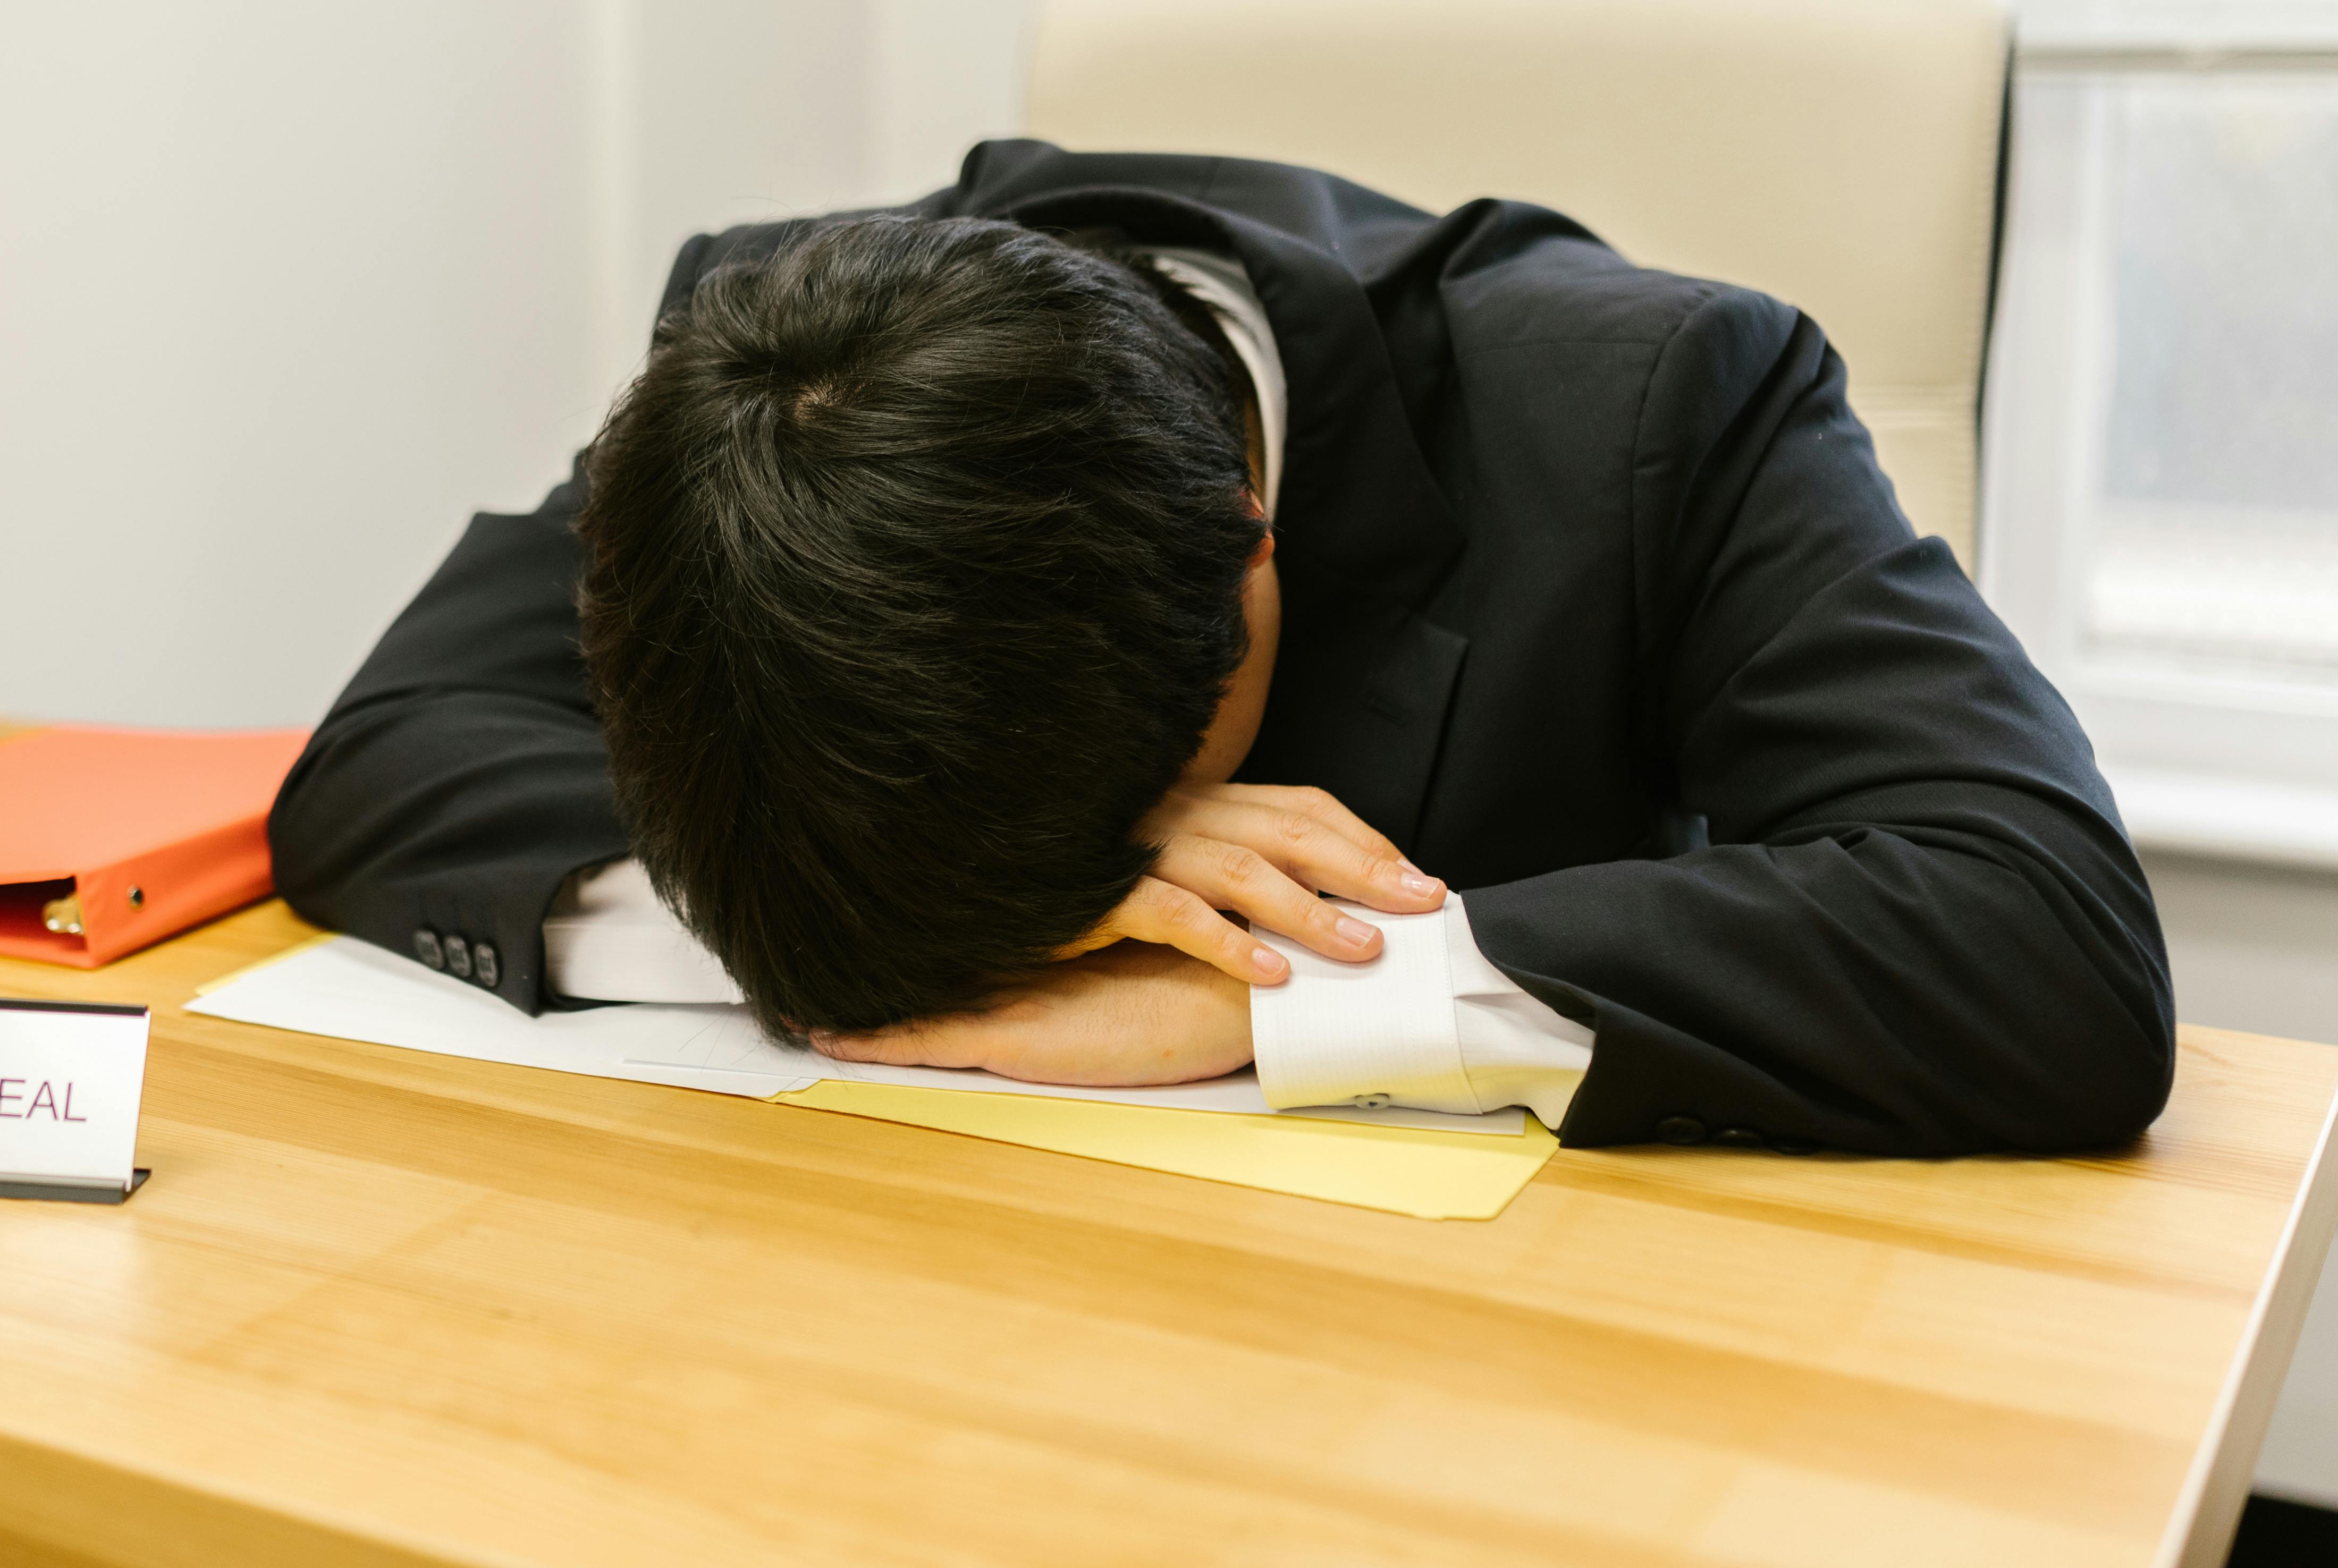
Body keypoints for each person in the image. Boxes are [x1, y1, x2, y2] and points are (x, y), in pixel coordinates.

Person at [267, 141, 2175, 1154]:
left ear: (1256, 577)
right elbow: (391, 750)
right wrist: (922, 928)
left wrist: (1289, 990)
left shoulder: (1662, 398)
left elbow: (2044, 938)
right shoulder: (778, 364)